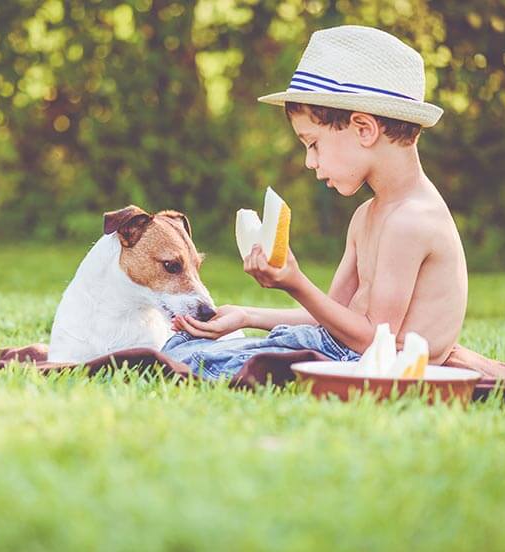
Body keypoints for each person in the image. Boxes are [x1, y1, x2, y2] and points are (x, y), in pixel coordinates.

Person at [162, 25, 468, 380]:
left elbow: (374, 341)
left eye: (313, 143)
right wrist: (247, 316)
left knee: (202, 363)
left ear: (364, 130)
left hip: (371, 365)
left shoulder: (410, 221)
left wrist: (296, 282)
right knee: (183, 347)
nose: (310, 162)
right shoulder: (367, 214)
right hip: (334, 347)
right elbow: (332, 314)